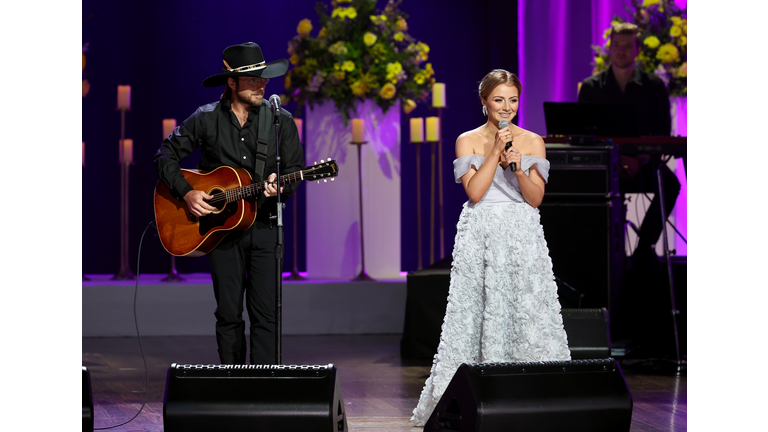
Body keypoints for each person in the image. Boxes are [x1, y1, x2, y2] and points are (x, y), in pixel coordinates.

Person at [411, 69, 571, 426]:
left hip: (520, 234)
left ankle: (533, 396)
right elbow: (475, 192)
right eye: (499, 99)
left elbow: (535, 199)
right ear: (484, 101)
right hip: (481, 232)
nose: (506, 107)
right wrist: (495, 149)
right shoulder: (466, 140)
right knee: (478, 311)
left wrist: (516, 167)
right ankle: (474, 397)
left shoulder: (533, 141)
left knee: (526, 308)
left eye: (512, 100)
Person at [153, 42, 305, 365]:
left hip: (264, 229)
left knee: (266, 315)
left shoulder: (281, 121)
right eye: (253, 80)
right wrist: (188, 192)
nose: (262, 85)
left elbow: (292, 172)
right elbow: (164, 155)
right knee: (228, 314)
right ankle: (233, 387)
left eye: (263, 78)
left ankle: (265, 391)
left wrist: (280, 190)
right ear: (231, 82)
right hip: (221, 233)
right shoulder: (206, 119)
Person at [578, 22, 680, 263]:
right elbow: (583, 134)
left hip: (643, 163)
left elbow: (662, 133)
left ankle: (643, 249)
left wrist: (641, 159)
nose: (621, 51)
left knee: (670, 184)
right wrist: (615, 159)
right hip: (605, 164)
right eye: (616, 46)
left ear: (637, 50)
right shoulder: (592, 87)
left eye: (627, 46)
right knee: (583, 185)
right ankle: (596, 255)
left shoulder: (655, 87)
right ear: (609, 49)